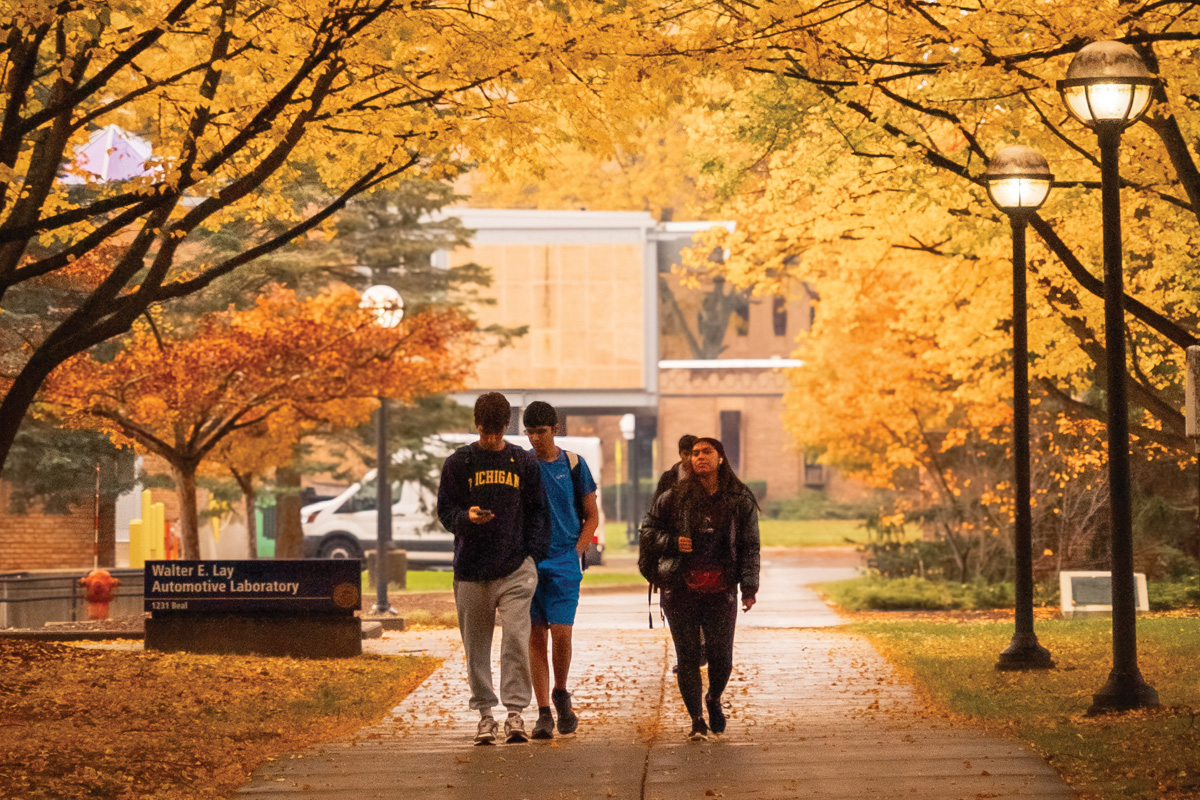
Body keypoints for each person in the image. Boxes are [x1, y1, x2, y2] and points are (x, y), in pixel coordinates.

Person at [437, 392, 550, 746]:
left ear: (506, 426)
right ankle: (485, 714)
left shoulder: (522, 462)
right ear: (476, 425)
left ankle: (515, 712)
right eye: (485, 432)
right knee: (476, 646)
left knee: (516, 638)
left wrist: (531, 556)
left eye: (496, 432)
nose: (490, 439)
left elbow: (538, 512)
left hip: (515, 567)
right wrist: (465, 518)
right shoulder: (459, 463)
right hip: (471, 568)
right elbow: (445, 511)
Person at [638, 437, 760, 742]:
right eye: (694, 453)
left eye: (707, 452)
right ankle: (696, 721)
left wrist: (749, 586)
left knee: (722, 659)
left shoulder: (739, 499)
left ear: (720, 458)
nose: (699, 457)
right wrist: (672, 542)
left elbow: (750, 546)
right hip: (680, 588)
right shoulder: (673, 497)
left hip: (721, 591)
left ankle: (714, 698)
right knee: (688, 657)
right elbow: (648, 531)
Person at [521, 401, 600, 739]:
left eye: (542, 431)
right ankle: (542, 712)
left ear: (554, 429)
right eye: (531, 432)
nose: (537, 438)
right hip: (528, 562)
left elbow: (591, 513)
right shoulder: (521, 465)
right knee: (535, 634)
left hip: (564, 559)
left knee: (562, 633)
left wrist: (577, 551)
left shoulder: (573, 464)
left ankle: (561, 690)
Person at [652, 434, 698, 502]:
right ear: (680, 454)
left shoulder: (703, 474)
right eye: (686, 454)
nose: (689, 458)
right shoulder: (667, 477)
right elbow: (656, 504)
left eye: (693, 454)